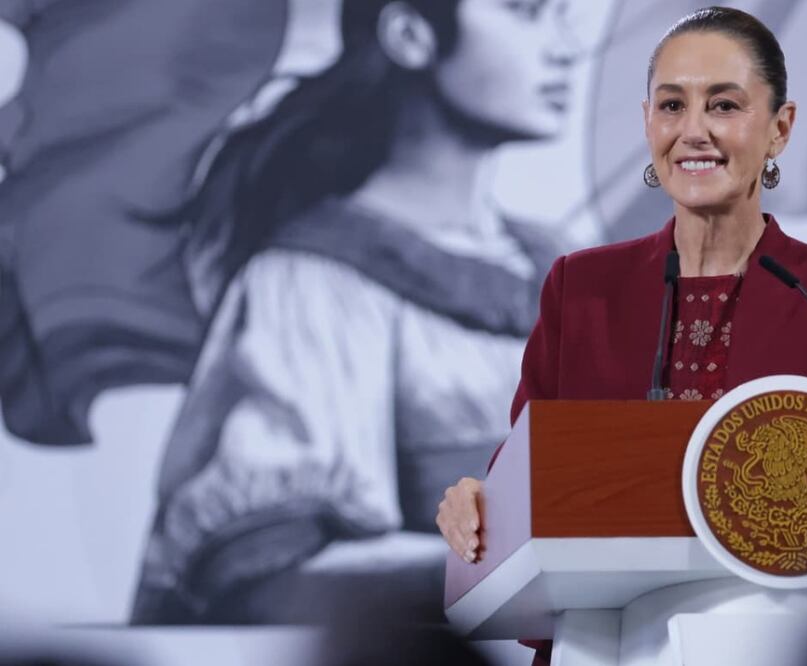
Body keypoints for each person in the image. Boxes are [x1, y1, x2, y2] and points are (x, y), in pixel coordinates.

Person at [437, 8, 807, 660]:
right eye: (671, 106)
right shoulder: (581, 288)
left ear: (780, 128)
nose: (693, 132)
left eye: (723, 105)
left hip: (782, 639)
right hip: (601, 642)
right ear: (647, 125)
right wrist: (480, 503)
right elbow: (530, 476)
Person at [129, 0, 584, 623]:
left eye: (564, 16)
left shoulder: (570, 268)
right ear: (409, 33)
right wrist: (545, 569)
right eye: (526, 12)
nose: (564, 48)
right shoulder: (312, 282)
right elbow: (268, 574)